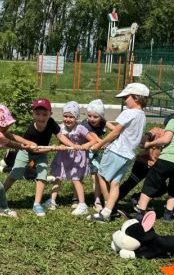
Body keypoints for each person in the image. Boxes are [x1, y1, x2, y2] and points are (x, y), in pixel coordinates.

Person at [0, 98, 75, 217]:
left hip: (42, 154)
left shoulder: (51, 122)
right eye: (38, 114)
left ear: (50, 113)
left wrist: (72, 145)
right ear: (33, 114)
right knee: (14, 174)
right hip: (27, 152)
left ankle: (36, 204)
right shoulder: (31, 131)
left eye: (45, 114)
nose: (41, 117)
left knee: (42, 175)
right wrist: (53, 148)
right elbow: (34, 149)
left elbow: (60, 136)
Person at [87, 83, 149, 223]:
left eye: (127, 97)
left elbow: (115, 132)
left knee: (101, 175)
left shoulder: (128, 112)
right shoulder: (142, 115)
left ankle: (107, 210)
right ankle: (110, 209)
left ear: (137, 98)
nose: (124, 100)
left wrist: (99, 145)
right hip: (129, 154)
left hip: (116, 151)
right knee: (115, 182)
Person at [49, 101, 100, 217]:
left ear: (76, 117)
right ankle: (52, 200)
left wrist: (84, 146)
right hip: (63, 157)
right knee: (58, 177)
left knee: (76, 179)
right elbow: (60, 140)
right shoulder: (60, 128)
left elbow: (93, 140)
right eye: (65, 116)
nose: (67, 119)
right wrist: (60, 145)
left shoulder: (80, 128)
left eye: (71, 117)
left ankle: (82, 204)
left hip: (77, 159)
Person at [82, 99, 108, 211]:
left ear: (101, 116)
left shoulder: (103, 121)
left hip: (95, 152)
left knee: (97, 177)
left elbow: (115, 128)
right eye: (89, 116)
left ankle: (97, 200)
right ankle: (76, 198)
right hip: (82, 151)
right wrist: (107, 142)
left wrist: (118, 131)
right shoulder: (85, 124)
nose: (92, 119)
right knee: (79, 176)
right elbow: (96, 139)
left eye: (95, 117)